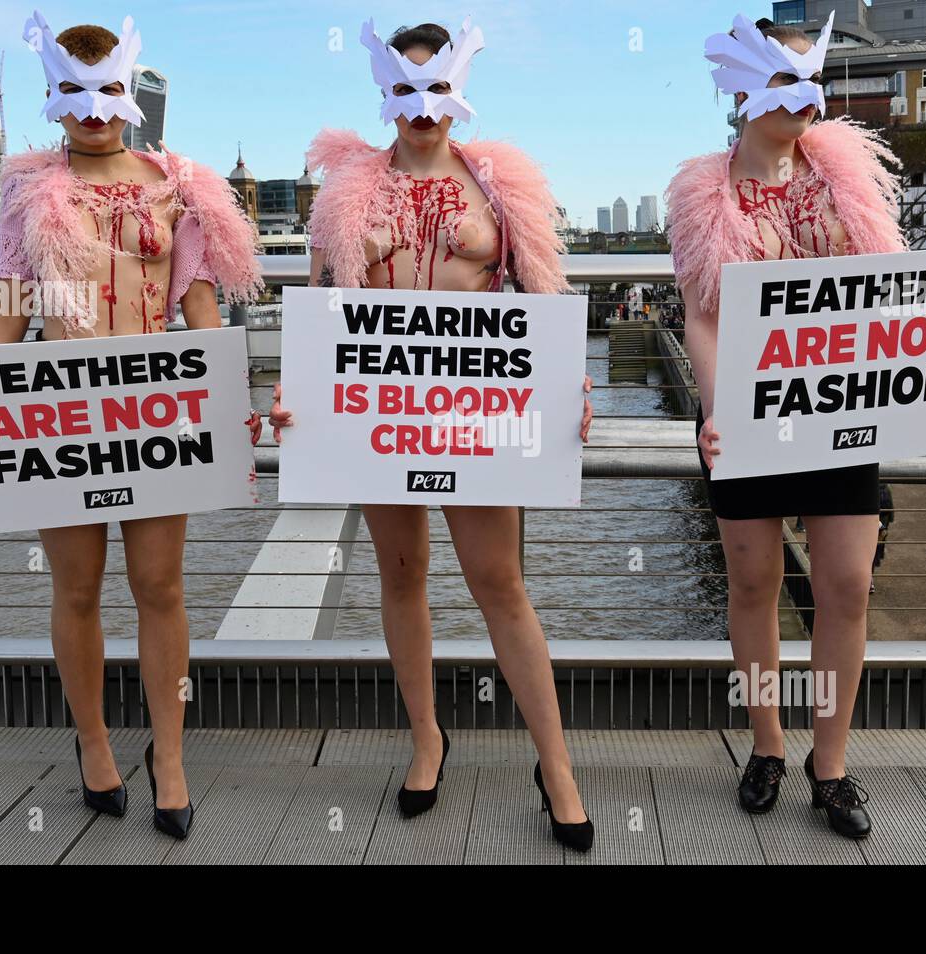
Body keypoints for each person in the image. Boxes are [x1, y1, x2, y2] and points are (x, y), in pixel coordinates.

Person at [0, 11, 264, 840]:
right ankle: (91, 742)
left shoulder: (179, 186)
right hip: (57, 412)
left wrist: (232, 396)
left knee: (161, 586)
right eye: (71, 92)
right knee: (75, 588)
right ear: (51, 95)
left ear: (132, 93)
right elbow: (10, 310)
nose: (90, 107)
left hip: (154, 403)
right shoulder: (27, 192)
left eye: (106, 89)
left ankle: (172, 754)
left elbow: (198, 303)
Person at [271, 17, 594, 852]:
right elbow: (315, 311)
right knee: (402, 572)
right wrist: (288, 391)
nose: (423, 106)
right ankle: (427, 739)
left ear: (460, 92)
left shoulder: (502, 187)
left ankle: (554, 764)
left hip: (476, 419)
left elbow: (542, 298)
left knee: (500, 583)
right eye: (406, 87)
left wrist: (570, 385)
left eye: (437, 86)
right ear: (383, 92)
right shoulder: (346, 195)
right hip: (382, 419)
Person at [666, 12, 926, 840]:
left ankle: (831, 761)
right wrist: (711, 406)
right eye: (784, 78)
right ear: (742, 87)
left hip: (841, 414)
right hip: (747, 417)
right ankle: (767, 744)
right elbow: (702, 316)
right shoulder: (705, 190)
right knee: (752, 587)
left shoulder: (846, 173)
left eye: (814, 79)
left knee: (848, 585)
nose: (807, 97)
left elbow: (892, 294)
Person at [869, 482, 894, 594]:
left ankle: (868, 580)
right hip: (876, 522)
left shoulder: (885, 487)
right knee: (871, 554)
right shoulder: (885, 488)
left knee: (871, 554)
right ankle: (868, 580)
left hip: (877, 522)